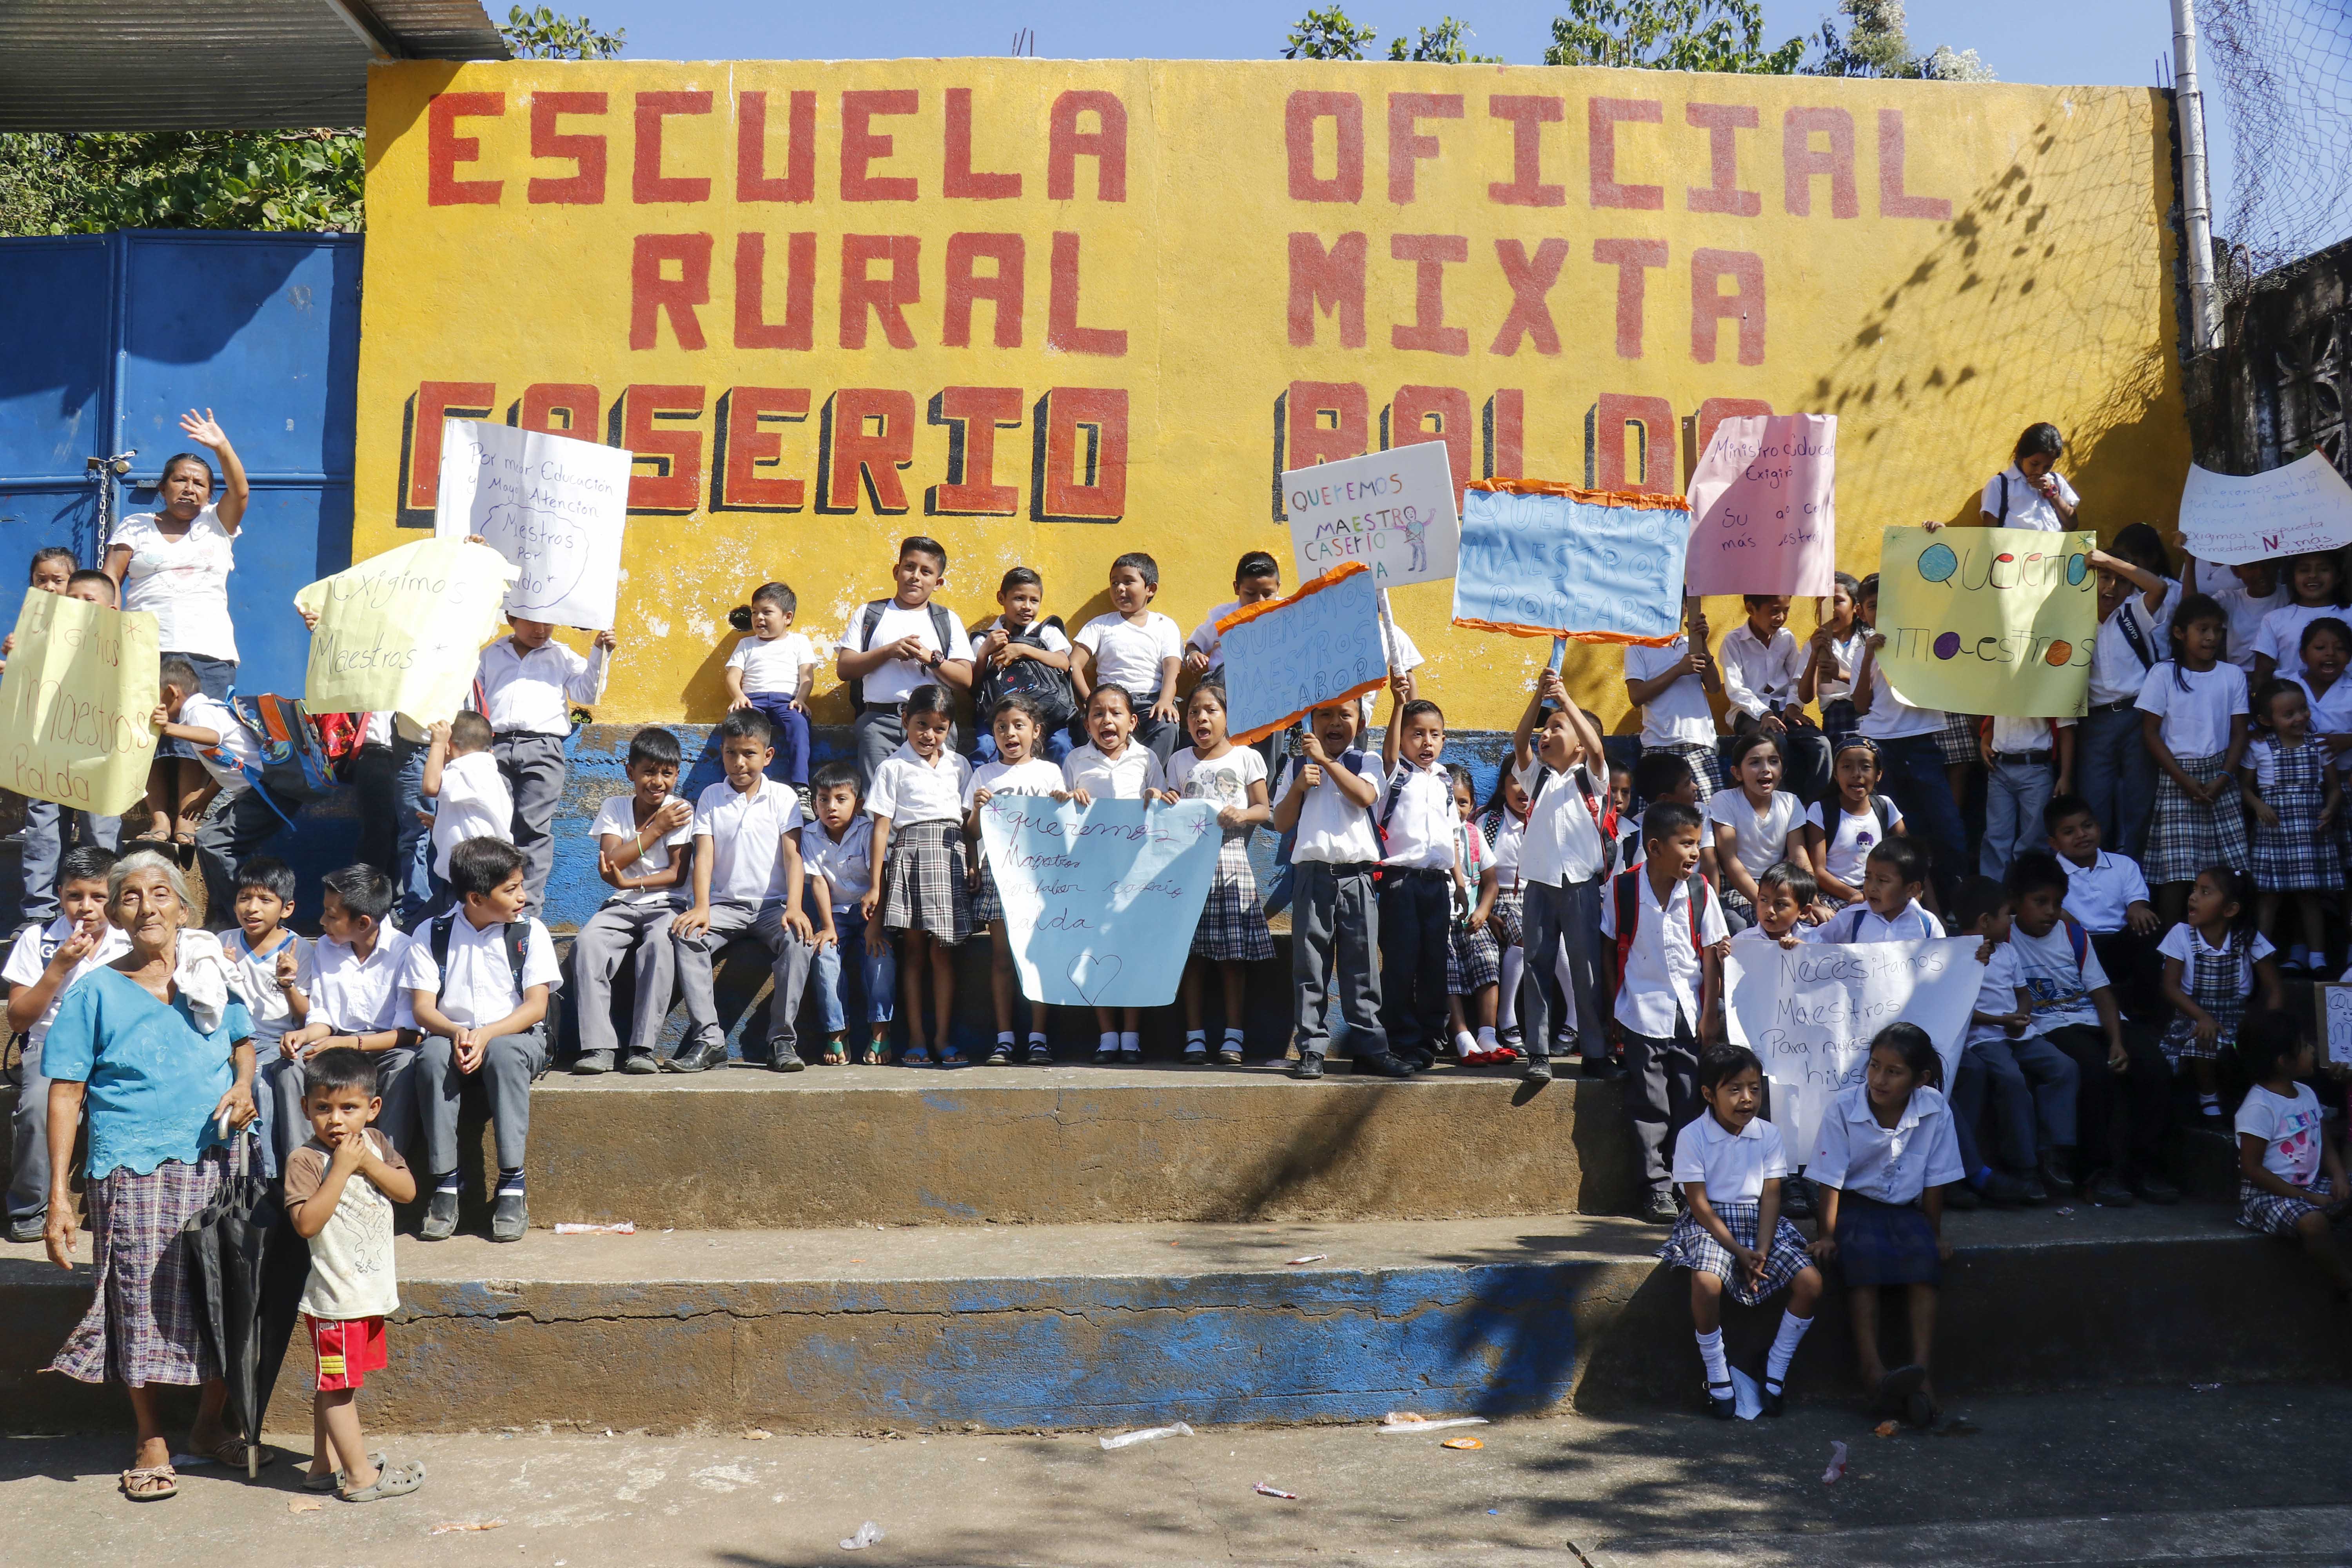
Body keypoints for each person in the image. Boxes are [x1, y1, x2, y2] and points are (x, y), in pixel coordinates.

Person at [40, 849, 260, 1500]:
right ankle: (150, 1439)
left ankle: (208, 1424)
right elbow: (64, 1093)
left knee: (222, 1294)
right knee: (137, 1299)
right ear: (115, 914)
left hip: (220, 1159)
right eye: (130, 897)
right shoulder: (95, 992)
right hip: (130, 1167)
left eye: (160, 894)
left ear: (184, 909)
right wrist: (60, 1195)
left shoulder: (211, 977)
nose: (147, 907)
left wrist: (246, 1085)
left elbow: (243, 1043)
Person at [281, 1049, 424, 1502]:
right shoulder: (305, 1161)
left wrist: (367, 1163)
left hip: (367, 1292)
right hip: (335, 1296)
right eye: (323, 1108)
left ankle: (324, 1467)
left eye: (349, 1108)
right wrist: (342, 1168)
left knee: (337, 1382)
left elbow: (406, 1191)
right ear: (306, 1108)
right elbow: (306, 1223)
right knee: (339, 1386)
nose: (336, 1120)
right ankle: (361, 1476)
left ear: (372, 1108)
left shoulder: (377, 1143)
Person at [403, 838, 561, 1243]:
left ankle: (512, 1183)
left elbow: (536, 1007)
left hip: (515, 1036)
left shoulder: (530, 932)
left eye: (521, 884)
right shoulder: (432, 932)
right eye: (510, 889)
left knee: (506, 1054)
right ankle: (445, 1183)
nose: (522, 896)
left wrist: (487, 1034)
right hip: (453, 1036)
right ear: (475, 897)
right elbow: (423, 1008)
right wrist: (457, 1032)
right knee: (431, 1056)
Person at [105, 414, 250, 856]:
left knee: (196, 733)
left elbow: (240, 491)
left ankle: (188, 820)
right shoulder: (135, 526)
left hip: (207, 647)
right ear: (164, 486)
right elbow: (112, 579)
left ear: (209, 492)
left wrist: (221, 446)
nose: (190, 488)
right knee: (148, 732)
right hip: (146, 645)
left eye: (199, 482)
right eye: (181, 480)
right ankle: (158, 819)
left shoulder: (216, 524)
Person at [1807, 1022, 1965, 1426]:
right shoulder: (1844, 1108)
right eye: (1875, 1066)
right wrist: (1826, 1235)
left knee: (1923, 1263)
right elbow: (1830, 1179)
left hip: (1904, 1209)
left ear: (1920, 1079)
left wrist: (1935, 1234)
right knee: (1863, 1261)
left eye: (1893, 1071)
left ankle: (1923, 1372)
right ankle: (1872, 1370)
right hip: (1854, 1207)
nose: (1879, 1078)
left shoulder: (1934, 1109)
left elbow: (1934, 1181)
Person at [1656, 1043, 1822, 1419]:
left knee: (1811, 1283)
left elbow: (1771, 1196)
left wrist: (1761, 1250)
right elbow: (1698, 1204)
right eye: (1734, 1089)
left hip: (1762, 1223)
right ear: (1708, 1095)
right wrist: (1736, 1250)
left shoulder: (1768, 1135)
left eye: (1755, 1089)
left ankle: (1776, 1368)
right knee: (1706, 1284)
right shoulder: (1692, 1137)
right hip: (1712, 1225)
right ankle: (1716, 1372)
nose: (1747, 1099)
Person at [2004, 851, 2177, 1207]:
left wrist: (2117, 1041)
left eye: (2057, 903)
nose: (2051, 911)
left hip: (2095, 1020)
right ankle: (2097, 1174)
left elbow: (2101, 992)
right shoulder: (2002, 935)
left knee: (2155, 1066)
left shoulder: (2073, 933)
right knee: (2094, 1071)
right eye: (2040, 903)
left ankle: (2146, 1167)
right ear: (2016, 902)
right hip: (2050, 1024)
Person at [1601, 802, 1730, 1224]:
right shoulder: (1621, 890)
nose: (1695, 853)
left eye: (1698, 843)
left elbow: (1711, 954)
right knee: (1649, 1103)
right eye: (1686, 844)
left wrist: (1710, 1014)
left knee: (1690, 1102)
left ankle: (1686, 1185)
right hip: (1641, 1012)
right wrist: (1612, 1005)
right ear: (1654, 847)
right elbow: (1608, 948)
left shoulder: (1700, 891)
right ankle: (1656, 1188)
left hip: (1689, 1014)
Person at [670, 710, 817, 1074]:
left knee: (798, 941)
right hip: (724, 907)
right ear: (722, 753)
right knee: (687, 936)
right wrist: (702, 906)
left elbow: (793, 857)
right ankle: (710, 1041)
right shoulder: (710, 797)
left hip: (772, 908)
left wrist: (795, 906)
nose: (739, 763)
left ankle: (782, 1040)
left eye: (749, 754)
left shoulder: (783, 797)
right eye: (731, 753)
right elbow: (703, 857)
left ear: (767, 756)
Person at [3, 845, 125, 1244]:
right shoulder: (38, 940)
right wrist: (58, 968)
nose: (86, 907)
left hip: (117, 1046)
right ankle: (30, 1207)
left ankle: (117, 1206)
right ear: (59, 894)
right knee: (38, 1105)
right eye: (75, 896)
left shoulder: (129, 940)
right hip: (51, 1045)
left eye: (98, 896)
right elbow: (19, 1018)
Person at [1274, 697, 1400, 1081]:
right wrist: (1298, 784)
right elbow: (1281, 822)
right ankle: (1311, 1048)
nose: (1334, 723)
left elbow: (1364, 797)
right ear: (1311, 720)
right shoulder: (1297, 767)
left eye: (1344, 714)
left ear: (1360, 721)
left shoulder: (1367, 762)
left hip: (1357, 878)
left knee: (1361, 968)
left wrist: (1328, 763)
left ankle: (1371, 1048)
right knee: (1310, 967)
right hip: (1312, 877)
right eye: (1325, 714)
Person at [1508, 667, 1616, 1084]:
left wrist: (1565, 698)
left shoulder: (1591, 778)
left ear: (1579, 745)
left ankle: (1594, 1049)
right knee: (1537, 964)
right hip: (1539, 883)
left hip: (1580, 886)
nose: (1546, 733)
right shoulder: (1537, 779)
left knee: (1586, 967)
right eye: (1546, 728)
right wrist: (1540, 698)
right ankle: (1538, 1051)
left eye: (1558, 728)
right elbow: (1520, 742)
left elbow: (1596, 750)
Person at [274, 865, 420, 1162]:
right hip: (338, 1045)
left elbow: (410, 1034)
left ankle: (386, 1165)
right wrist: (305, 1036)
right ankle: (307, 1166)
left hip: (386, 1048)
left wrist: (349, 1045)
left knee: (405, 1066)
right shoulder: (328, 947)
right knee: (291, 1067)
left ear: (363, 922)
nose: (322, 921)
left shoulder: (407, 951)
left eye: (331, 915)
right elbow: (323, 1018)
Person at [1949, 876, 2079, 1208]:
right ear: (1985, 921)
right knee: (2010, 1079)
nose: (2011, 921)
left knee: (2064, 1068)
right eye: (2007, 915)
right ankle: (2025, 1167)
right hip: (1983, 1039)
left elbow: (2023, 995)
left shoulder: (2007, 952)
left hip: (2019, 1033)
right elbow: (1959, 1010)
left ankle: (2052, 1150)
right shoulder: (1955, 955)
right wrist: (2001, 1022)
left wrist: (2021, 1017)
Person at [571, 726, 692, 1075]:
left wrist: (632, 879)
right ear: (630, 772)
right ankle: (598, 1047)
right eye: (649, 772)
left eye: (666, 774)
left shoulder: (680, 810)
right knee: (588, 943)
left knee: (659, 944)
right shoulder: (615, 807)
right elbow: (610, 862)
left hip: (667, 904)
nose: (657, 782)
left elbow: (677, 874)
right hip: (621, 904)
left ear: (676, 775)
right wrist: (656, 830)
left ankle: (642, 1048)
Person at [475, 614, 616, 911]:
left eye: (548, 623)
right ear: (512, 619)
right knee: (493, 825)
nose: (541, 630)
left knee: (534, 830)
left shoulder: (562, 655)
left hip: (544, 747)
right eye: (532, 622)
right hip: (495, 747)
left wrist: (600, 653)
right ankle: (492, 903)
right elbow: (476, 703)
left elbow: (587, 694)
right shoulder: (491, 655)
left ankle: (527, 910)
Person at [1168, 682, 1274, 1066]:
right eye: (1194, 711)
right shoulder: (1180, 761)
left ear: (1228, 716)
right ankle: (1194, 1037)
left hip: (1230, 863)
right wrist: (1166, 800)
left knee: (1232, 958)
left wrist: (1243, 814)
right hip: (1187, 868)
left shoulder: (1247, 758)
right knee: (1191, 956)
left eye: (1211, 710)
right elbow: (1170, 808)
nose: (1201, 718)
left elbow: (1265, 809)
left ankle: (1234, 1035)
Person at [867, 684, 973, 1066]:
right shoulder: (892, 767)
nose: (930, 735)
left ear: (950, 729)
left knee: (944, 951)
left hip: (950, 857)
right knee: (912, 951)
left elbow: (967, 822)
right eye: (922, 725)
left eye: (940, 728)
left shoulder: (960, 765)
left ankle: (943, 1038)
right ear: (904, 721)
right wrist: (875, 884)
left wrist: (972, 862)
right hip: (909, 856)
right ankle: (915, 1038)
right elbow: (881, 828)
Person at [12, 550, 119, 924]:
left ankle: (102, 907)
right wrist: (16, 659)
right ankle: (40, 912)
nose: (77, 605)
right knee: (43, 827)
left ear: (111, 608)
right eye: (71, 597)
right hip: (48, 750)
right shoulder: (37, 633)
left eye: (88, 599)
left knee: (99, 830)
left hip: (100, 754)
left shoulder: (123, 643)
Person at [1851, 573, 1969, 912]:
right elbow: (1860, 705)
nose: (1881, 611)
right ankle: (1909, 907)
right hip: (1882, 745)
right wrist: (1871, 657)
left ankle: (1956, 904)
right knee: (1900, 833)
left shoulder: (1924, 638)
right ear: (1862, 613)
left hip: (1922, 742)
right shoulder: (1864, 653)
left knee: (1948, 827)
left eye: (1888, 604)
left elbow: (1941, 600)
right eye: (1873, 606)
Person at [151, 654, 294, 922]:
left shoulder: (198, 712)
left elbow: (213, 737)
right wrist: (204, 799)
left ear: (171, 693)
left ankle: (238, 915)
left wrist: (168, 728)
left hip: (267, 792)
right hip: (258, 792)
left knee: (215, 844)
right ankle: (227, 912)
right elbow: (227, 762)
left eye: (155, 698)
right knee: (209, 840)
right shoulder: (207, 711)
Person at [965, 694, 1067, 1064]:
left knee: (1038, 954)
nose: (1010, 733)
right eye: (1001, 727)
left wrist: (1061, 802)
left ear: (1036, 731)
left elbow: (1064, 829)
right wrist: (977, 809)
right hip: (999, 873)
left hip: (1040, 874)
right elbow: (972, 833)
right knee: (1002, 956)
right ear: (992, 734)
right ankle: (1005, 1037)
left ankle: (1039, 1036)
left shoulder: (1050, 774)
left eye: (1019, 725)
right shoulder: (984, 775)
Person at [2138, 593, 2250, 919]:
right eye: (2203, 629)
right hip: (2177, 777)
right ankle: (2173, 949)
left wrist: (2224, 778)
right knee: (2178, 874)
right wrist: (2183, 779)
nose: (2212, 637)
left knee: (2231, 872)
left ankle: (2231, 944)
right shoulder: (2163, 674)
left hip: (2221, 776)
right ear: (2179, 633)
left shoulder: (2232, 676)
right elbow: (2150, 733)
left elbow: (2240, 733)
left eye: (2217, 630)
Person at [836, 535, 975, 786]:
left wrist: (930, 659)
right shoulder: (870, 613)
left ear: (938, 582)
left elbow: (965, 679)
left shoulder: (947, 619)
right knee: (878, 802)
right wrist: (888, 651)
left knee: (935, 797)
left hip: (933, 725)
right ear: (897, 571)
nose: (916, 576)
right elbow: (845, 668)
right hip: (879, 723)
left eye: (926, 572)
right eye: (910, 567)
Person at [2230, 1009, 2352, 1295]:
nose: (2313, 1050)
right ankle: (2344, 1283)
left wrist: (2339, 1177)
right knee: (2313, 1223)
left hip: (2309, 1185)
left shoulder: (2306, 1093)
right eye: (2305, 1047)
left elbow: (2323, 1139)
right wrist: (2310, 1198)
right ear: (2284, 1061)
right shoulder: (2259, 1107)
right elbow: (2252, 1169)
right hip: (2266, 1196)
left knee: (2337, 1200)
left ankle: (2328, 1212)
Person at [1370, 693, 1460, 1074]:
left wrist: (1462, 885)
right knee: (1402, 965)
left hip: (1437, 885)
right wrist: (1397, 703)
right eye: (1416, 734)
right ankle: (1402, 1040)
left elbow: (1452, 835)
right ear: (1402, 738)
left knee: (1434, 965)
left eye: (1434, 734)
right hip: (1399, 882)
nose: (1426, 742)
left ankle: (1429, 1039)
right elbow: (1390, 755)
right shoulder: (1393, 773)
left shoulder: (1443, 780)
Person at [2076, 528, 2176, 858]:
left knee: (2139, 800)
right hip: (2095, 723)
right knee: (2095, 803)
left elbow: (2159, 587)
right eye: (2104, 578)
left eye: (2120, 580)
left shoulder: (2134, 614)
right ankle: (2100, 875)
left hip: (2137, 717)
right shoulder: (2074, 622)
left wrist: (2110, 561)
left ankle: (2136, 875)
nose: (2111, 587)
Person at [2157, 865, 2284, 1122]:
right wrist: (2203, 1017)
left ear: (2230, 910)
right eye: (2194, 890)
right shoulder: (2180, 934)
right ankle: (2209, 1096)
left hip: (2236, 1017)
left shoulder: (2248, 939)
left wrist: (2271, 1025)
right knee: (2203, 1039)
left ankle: (2256, 1095)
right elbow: (2170, 987)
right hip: (2192, 1016)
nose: (2193, 897)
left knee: (2256, 1046)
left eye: (2205, 892)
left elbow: (2275, 989)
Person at [2240, 679, 2342, 973]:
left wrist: (2331, 809)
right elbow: (2245, 789)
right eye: (2289, 714)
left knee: (2310, 895)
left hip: (2311, 830)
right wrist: (2260, 806)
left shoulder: (2319, 745)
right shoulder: (2259, 748)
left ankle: (2318, 957)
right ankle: (2260, 957)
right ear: (2266, 720)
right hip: (2274, 831)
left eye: (2303, 710)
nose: (2300, 718)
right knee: (2269, 896)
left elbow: (2334, 788)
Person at [224, 857, 313, 1176]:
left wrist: (288, 984)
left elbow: (305, 1019)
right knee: (253, 1080)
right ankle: (261, 1175)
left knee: (272, 1079)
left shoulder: (299, 949)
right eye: (245, 898)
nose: (252, 909)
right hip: (236, 1039)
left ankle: (288, 1171)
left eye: (265, 900)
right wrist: (224, 977)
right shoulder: (224, 944)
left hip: (282, 1040)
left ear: (286, 909)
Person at [801, 761, 892, 1067]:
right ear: (814, 802)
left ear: (859, 804)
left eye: (841, 799)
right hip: (835, 914)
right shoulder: (810, 835)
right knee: (825, 957)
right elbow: (818, 882)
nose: (831, 807)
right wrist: (827, 926)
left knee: (881, 959)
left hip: (870, 912)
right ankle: (837, 1032)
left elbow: (879, 880)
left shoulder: (867, 831)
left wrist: (876, 927)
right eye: (823, 799)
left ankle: (880, 1031)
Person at [2045, 793, 2165, 1023]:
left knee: (2152, 928)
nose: (2082, 835)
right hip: (2076, 947)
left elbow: (2137, 903)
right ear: (2054, 843)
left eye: (2087, 826)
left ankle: (2145, 1011)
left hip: (2118, 942)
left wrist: (2138, 909)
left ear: (2098, 827)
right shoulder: (2049, 873)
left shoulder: (2123, 864)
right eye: (2069, 832)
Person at [1719, 593, 1830, 804]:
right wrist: (1765, 714)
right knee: (1775, 742)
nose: (1780, 617)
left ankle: (1817, 807)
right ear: (1751, 609)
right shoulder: (1733, 641)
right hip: (1749, 713)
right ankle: (1782, 804)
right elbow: (1736, 689)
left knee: (1821, 744)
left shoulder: (1786, 638)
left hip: (1784, 710)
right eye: (1774, 612)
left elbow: (1795, 679)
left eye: (1786, 611)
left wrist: (1793, 704)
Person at [1074, 552, 1185, 761]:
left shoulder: (1164, 625)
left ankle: (1149, 780)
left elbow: (1172, 667)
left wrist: (1166, 700)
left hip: (1151, 701)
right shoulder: (1100, 625)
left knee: (1168, 726)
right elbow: (1074, 663)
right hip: (1111, 701)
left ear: (1150, 589)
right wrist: (1090, 701)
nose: (1120, 589)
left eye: (1128, 582)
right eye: (1114, 583)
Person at [971, 567, 1080, 766]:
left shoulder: (1047, 632)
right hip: (999, 718)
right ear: (1001, 598)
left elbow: (1064, 663)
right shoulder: (986, 639)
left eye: (1034, 601)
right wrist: (984, 653)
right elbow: (973, 686)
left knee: (1061, 746)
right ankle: (982, 795)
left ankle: (1065, 794)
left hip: (1047, 714)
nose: (1027, 607)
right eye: (1019, 599)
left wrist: (1023, 649)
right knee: (985, 747)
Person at [1622, 601, 1725, 799]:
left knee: (1708, 816)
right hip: (1659, 746)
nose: (1668, 609)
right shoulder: (1638, 645)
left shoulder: (1691, 644)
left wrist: (1702, 642)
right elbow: (1636, 696)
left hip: (1699, 743)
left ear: (1686, 609)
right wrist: (1679, 670)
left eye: (1677, 603)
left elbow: (1713, 688)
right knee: (1662, 820)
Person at [724, 581, 819, 787]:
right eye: (755, 612)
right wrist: (739, 697)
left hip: (787, 702)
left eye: (767, 612)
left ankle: (801, 785)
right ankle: (736, 779)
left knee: (799, 725)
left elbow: (807, 675)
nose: (759, 618)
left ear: (788, 617)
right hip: (752, 702)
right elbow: (733, 677)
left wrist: (801, 699)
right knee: (738, 727)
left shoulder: (799, 642)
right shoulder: (746, 644)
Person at [1709, 732, 1806, 931]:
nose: (1766, 770)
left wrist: (1809, 898)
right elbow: (1729, 860)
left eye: (1773, 761)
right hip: (1740, 889)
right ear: (1737, 773)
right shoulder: (1724, 800)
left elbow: (1799, 857)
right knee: (1755, 926)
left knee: (1810, 924)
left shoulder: (1790, 802)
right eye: (1755, 763)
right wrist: (1765, 904)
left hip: (1780, 886)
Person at [421, 712, 513, 917]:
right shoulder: (485, 769)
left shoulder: (470, 767)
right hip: (473, 877)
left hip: (473, 880)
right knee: (423, 933)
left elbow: (430, 786)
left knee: (434, 938)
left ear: (449, 745)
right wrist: (444, 826)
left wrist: (437, 744)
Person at [1804, 737, 1903, 911]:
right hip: (1837, 895)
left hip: (1880, 893)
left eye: (1866, 767)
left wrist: (1933, 909)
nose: (1857, 774)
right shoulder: (1821, 810)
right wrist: (1853, 895)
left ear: (1879, 774)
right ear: (1835, 774)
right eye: (1847, 767)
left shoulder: (1885, 806)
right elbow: (1819, 871)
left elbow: (1910, 858)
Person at [1980, 711, 2074, 881]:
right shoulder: (2001, 685)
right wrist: (1985, 742)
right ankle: (1992, 898)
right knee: (1996, 836)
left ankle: (2029, 892)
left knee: (2034, 839)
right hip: (1999, 767)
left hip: (2036, 768)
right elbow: (1992, 718)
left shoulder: (2051, 687)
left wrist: (2065, 776)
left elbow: (2066, 727)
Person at [1806, 837, 1942, 944]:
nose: (1871, 887)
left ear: (1912, 889)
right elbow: (1817, 944)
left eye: (1883, 881)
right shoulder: (1851, 919)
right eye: (1868, 877)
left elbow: (1940, 966)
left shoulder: (1928, 925)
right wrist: (1799, 946)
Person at [2252, 549, 2352, 686]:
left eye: (2323, 569)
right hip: (2290, 703)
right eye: (2304, 570)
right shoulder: (2274, 619)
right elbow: (2263, 674)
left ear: (2338, 576)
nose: (2313, 575)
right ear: (2292, 577)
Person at [1797, 572, 1866, 749]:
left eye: (1838, 601)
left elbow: (1880, 685)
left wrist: (1841, 675)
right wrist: (1814, 655)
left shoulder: (1868, 640)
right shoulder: (1815, 645)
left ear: (1856, 608)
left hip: (1868, 716)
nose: (1830, 609)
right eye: (1823, 603)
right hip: (1834, 718)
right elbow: (1805, 696)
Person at [1978, 421, 2079, 530]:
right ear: (2021, 455)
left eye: (2048, 466)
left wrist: (2052, 494)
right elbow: (1990, 532)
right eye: (2034, 464)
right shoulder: (2000, 485)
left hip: (2053, 546)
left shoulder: (2057, 481)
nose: (2040, 471)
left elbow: (2073, 524)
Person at [1730, 859, 1814, 951]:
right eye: (1764, 900)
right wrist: (1724, 960)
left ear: (1804, 912)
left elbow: (1823, 963)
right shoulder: (1742, 941)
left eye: (1780, 904)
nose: (1770, 910)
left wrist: (1805, 951)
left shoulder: (1813, 940)